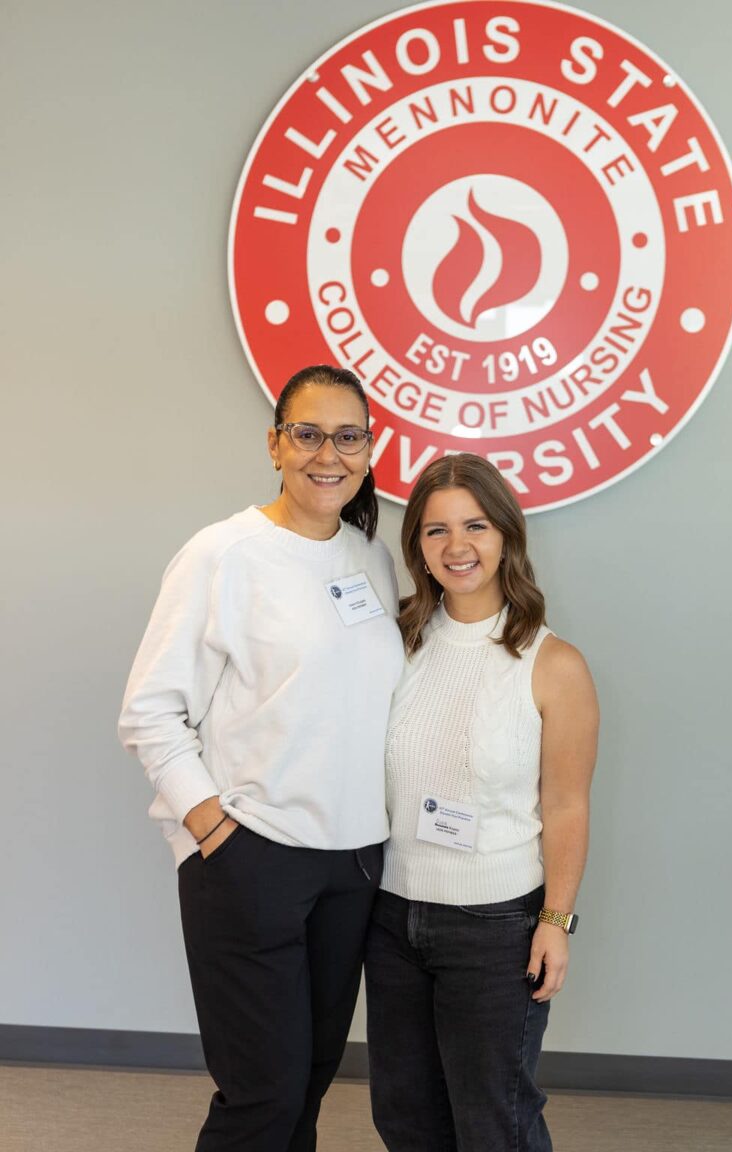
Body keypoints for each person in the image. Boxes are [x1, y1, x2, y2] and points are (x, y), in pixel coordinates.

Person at [118, 365, 404, 1152]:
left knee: (306, 1084)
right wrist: (214, 830)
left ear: (370, 449)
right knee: (262, 1096)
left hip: (353, 865)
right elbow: (149, 709)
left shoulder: (372, 558)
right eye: (308, 434)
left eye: (348, 437)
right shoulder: (223, 554)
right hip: (252, 858)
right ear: (275, 444)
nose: (328, 454)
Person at [365, 453, 599, 1152]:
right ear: (417, 546)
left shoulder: (554, 665)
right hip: (392, 916)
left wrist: (556, 920)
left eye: (475, 526)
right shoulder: (394, 642)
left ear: (506, 534)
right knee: (406, 1118)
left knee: (494, 1122)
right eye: (435, 530)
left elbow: (566, 805)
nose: (456, 546)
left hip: (496, 927)